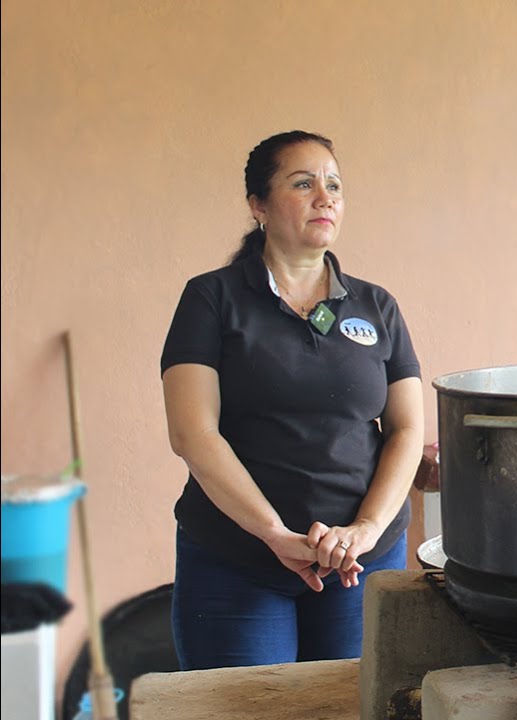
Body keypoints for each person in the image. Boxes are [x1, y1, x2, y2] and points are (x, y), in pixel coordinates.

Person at [160, 130, 424, 670]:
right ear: (258, 205)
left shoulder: (378, 306)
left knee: (361, 706)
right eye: (303, 184)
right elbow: (193, 433)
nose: (325, 197)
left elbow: (406, 430)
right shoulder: (211, 298)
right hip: (238, 559)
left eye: (333, 185)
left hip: (361, 564)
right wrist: (274, 534)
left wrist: (366, 530)